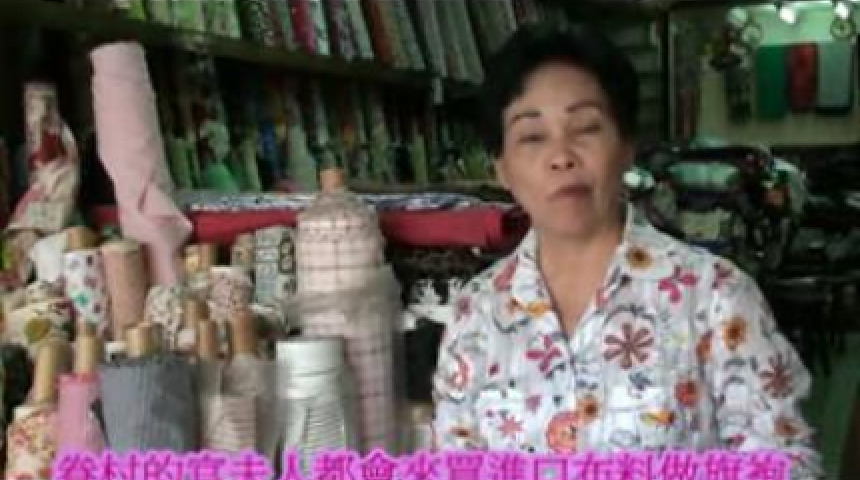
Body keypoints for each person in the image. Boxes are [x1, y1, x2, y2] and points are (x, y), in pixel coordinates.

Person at [431, 24, 822, 479]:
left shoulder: (715, 296)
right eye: (532, 136)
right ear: (501, 168)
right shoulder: (475, 315)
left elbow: (785, 462)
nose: (561, 156)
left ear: (626, 147)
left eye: (586, 128)